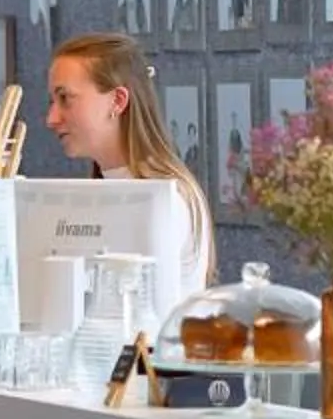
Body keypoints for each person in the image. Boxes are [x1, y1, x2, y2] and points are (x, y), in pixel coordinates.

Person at [41, 32, 214, 301]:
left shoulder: (162, 199)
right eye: (52, 101)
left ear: (118, 101)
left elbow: (140, 322)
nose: (51, 119)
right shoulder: (116, 188)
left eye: (65, 99)